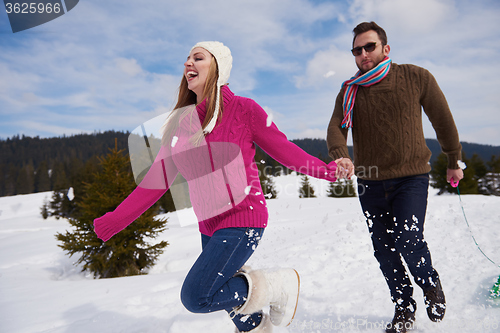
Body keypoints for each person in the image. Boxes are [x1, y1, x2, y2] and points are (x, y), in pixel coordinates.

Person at [94, 41, 338, 333]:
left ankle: (276, 285)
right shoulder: (178, 125)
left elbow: (284, 149)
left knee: (197, 296)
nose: (188, 64)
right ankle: (257, 329)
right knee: (229, 301)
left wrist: (327, 171)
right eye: (186, 59)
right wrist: (113, 221)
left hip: (243, 217)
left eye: (198, 58)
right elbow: (154, 183)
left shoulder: (244, 110)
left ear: (218, 67)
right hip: (208, 225)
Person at [326, 22, 463, 333]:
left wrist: (454, 159)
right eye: (357, 50)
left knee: (408, 237)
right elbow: (336, 127)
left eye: (369, 46)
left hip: (411, 176)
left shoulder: (416, 77)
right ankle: (403, 306)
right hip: (369, 181)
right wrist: (340, 153)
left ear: (385, 49)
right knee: (383, 247)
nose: (363, 54)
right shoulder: (350, 90)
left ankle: (430, 284)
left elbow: (442, 119)